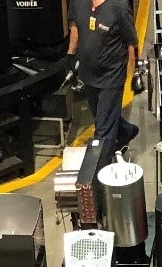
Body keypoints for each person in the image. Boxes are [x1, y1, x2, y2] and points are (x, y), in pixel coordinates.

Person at [67, 0, 140, 154]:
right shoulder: (77, 3)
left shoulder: (119, 6)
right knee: (100, 116)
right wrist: (70, 57)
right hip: (88, 74)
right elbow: (75, 27)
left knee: (102, 132)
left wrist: (135, 73)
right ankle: (126, 131)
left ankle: (100, 168)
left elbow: (131, 42)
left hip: (111, 75)